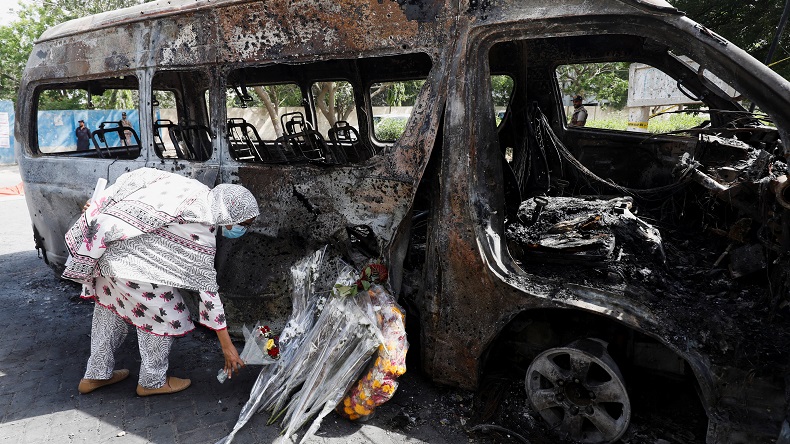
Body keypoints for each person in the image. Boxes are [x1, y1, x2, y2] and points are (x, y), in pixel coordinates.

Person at [62, 168, 260, 396]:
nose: (241, 229)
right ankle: (152, 381)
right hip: (134, 268)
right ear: (229, 214)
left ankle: (95, 375)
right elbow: (208, 293)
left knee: (111, 312)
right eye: (243, 224)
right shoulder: (202, 227)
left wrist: (101, 203)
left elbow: (138, 177)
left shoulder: (191, 188)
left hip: (104, 252)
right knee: (166, 316)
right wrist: (227, 346)